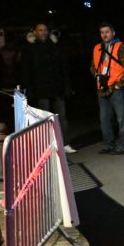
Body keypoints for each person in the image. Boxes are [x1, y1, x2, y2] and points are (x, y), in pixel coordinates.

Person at [21, 22, 74, 151]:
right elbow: (26, 70)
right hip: (41, 89)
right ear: (35, 32)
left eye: (45, 30)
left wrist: (67, 86)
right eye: (40, 30)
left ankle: (64, 143)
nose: (43, 32)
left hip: (57, 88)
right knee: (44, 118)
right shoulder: (29, 48)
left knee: (61, 117)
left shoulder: (55, 46)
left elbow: (64, 67)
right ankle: (46, 146)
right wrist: (29, 89)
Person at [91, 22, 124, 155]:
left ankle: (123, 145)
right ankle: (108, 144)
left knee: (122, 118)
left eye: (107, 32)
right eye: (102, 32)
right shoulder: (97, 48)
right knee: (104, 120)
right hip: (102, 88)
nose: (104, 35)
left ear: (113, 33)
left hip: (117, 88)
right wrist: (98, 76)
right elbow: (93, 66)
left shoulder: (121, 47)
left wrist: (119, 84)